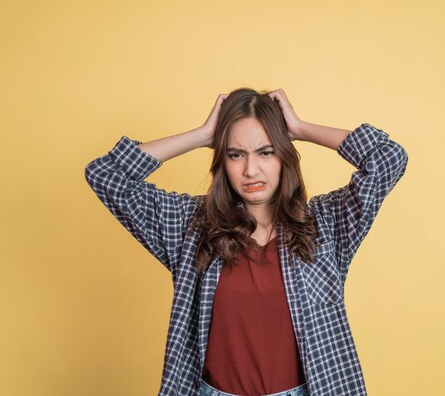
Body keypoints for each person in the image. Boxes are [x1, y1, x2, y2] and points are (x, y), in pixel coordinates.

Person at [84, 87, 408, 396]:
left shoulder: (324, 224)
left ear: (284, 156)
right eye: (236, 154)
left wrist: (299, 128)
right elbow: (105, 174)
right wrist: (202, 136)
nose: (251, 170)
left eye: (266, 152)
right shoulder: (192, 226)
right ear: (222, 161)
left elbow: (388, 158)